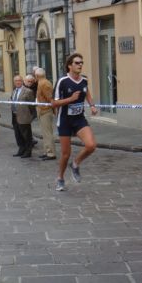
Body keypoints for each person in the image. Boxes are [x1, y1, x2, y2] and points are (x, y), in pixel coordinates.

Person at [52, 53, 97, 191]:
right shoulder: (62, 81)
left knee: (91, 146)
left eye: (81, 62)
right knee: (65, 154)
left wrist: (92, 105)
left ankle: (76, 164)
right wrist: (70, 99)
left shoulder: (84, 80)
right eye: (77, 63)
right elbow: (53, 103)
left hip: (79, 119)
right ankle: (60, 178)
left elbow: (86, 92)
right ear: (70, 65)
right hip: (65, 120)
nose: (80, 65)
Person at [11, 75, 36, 158]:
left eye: (19, 80)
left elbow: (32, 105)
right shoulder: (14, 91)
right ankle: (21, 149)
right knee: (18, 135)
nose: (18, 82)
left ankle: (28, 151)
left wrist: (30, 115)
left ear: (22, 82)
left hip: (24, 116)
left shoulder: (28, 91)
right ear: (14, 82)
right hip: (14, 115)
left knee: (26, 135)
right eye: (16, 81)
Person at [35, 68, 56, 161]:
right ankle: (46, 151)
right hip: (42, 110)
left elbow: (50, 98)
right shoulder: (41, 82)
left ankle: (50, 153)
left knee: (47, 133)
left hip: (46, 111)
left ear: (36, 76)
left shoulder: (44, 83)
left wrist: (54, 110)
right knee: (44, 132)